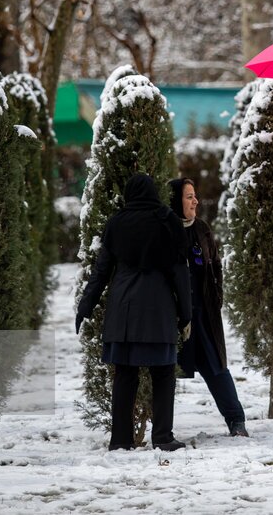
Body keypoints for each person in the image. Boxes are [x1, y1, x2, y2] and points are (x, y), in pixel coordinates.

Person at [76, 173, 193, 451]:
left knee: (125, 374)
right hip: (159, 306)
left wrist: (86, 306)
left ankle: (121, 439)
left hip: (124, 306)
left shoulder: (117, 223)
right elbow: (180, 272)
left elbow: (102, 270)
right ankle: (163, 436)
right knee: (163, 372)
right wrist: (186, 314)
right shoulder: (167, 221)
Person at [168, 178, 249, 438]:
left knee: (216, 368)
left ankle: (236, 421)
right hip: (172, 319)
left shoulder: (201, 229)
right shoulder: (165, 230)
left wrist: (216, 299)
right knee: (163, 372)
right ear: (175, 200)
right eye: (189, 196)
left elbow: (215, 265)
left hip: (202, 315)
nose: (195, 201)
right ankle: (160, 429)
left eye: (195, 196)